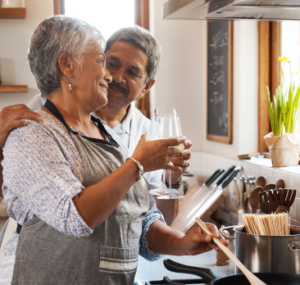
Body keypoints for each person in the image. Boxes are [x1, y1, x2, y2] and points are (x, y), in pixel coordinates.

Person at [0, 16, 226, 285]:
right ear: (67, 65)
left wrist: (182, 242)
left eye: (132, 71)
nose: (110, 76)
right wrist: (137, 165)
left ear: (147, 85)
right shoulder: (33, 130)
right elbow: (73, 216)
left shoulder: (104, 133)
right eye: (102, 61)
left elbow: (140, 219)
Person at [0, 25, 191, 225]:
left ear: (147, 86)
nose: (115, 77)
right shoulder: (43, 109)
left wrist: (173, 180)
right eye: (110, 63)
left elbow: (157, 222)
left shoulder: (151, 134)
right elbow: (15, 181)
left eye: (132, 72)